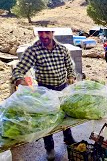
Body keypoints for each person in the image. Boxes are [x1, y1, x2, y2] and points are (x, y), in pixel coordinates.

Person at [12, 28, 76, 160]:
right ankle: (49, 148)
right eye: (40, 32)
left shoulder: (62, 49)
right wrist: (19, 79)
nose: (44, 35)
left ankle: (68, 139)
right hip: (44, 91)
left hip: (62, 89)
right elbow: (19, 69)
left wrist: (71, 76)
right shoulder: (33, 50)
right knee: (47, 120)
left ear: (53, 33)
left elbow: (70, 66)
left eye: (47, 32)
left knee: (65, 115)